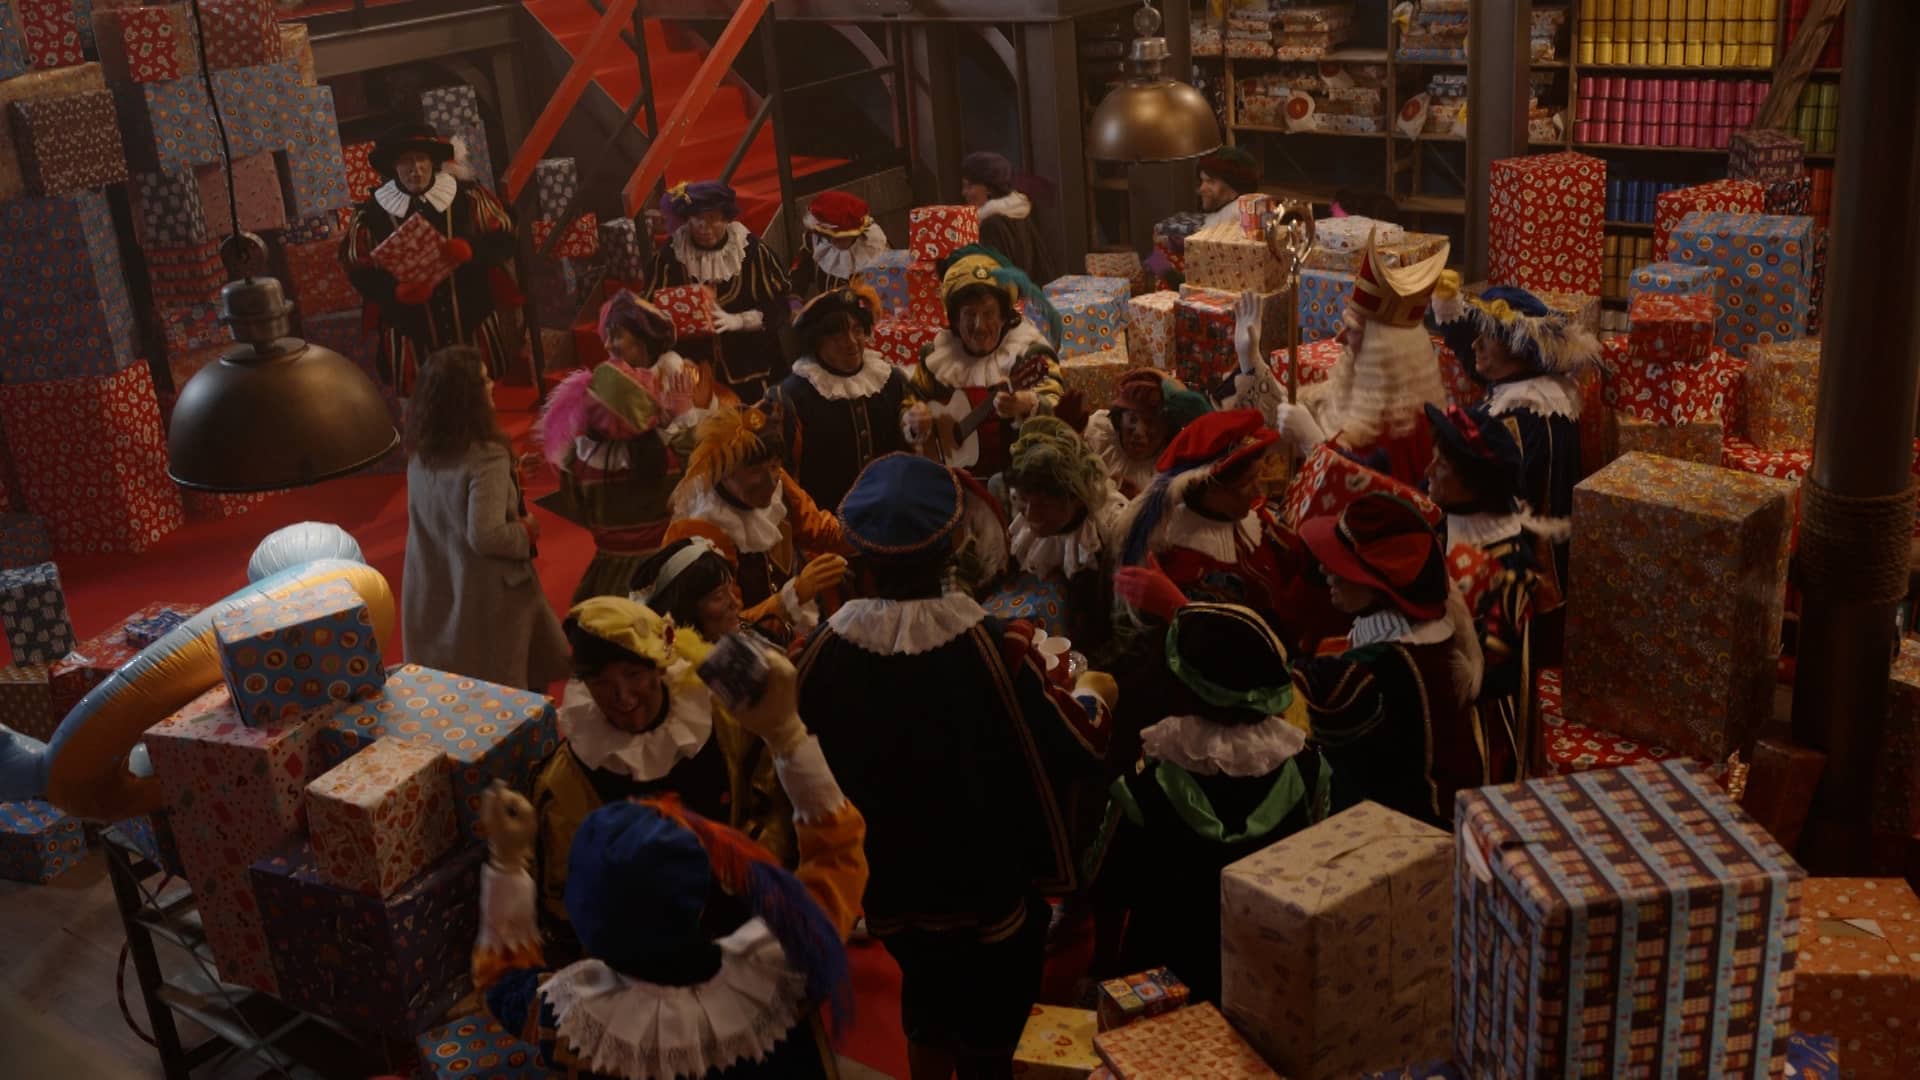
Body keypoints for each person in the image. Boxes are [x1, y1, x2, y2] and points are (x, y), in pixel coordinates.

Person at [797, 453, 1115, 1080]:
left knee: (925, 1001)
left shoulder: (819, 653)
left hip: (887, 881)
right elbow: (1076, 745)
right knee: (992, 1023)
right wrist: (1094, 693)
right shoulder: (994, 647)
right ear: (953, 544)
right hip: (985, 884)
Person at [483, 636, 869, 1080]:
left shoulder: (574, 1023)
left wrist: (506, 865)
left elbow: (504, 981)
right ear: (698, 901)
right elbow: (838, 853)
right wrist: (787, 735)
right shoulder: (786, 965)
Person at [1082, 601, 1329, 1002]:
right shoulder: (1310, 772)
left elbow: (1107, 888)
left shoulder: (1146, 785)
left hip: (1162, 980)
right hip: (1267, 974)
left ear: (1185, 687)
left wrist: (1103, 970)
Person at [530, 597, 789, 955]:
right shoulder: (569, 778)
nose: (622, 697)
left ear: (659, 667)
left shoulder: (723, 719)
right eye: (601, 683)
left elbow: (774, 802)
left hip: (745, 924)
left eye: (633, 675)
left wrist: (751, 866)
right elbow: (567, 896)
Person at [1293, 493, 1484, 828]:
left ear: (1380, 587)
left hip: (1408, 832)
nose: (1324, 570)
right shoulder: (1435, 629)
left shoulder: (1375, 671)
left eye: (1340, 566)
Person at [401, 346, 568, 690]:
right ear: (466, 397)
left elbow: (448, 506)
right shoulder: (488, 456)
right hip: (488, 600)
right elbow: (486, 535)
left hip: (439, 591)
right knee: (512, 693)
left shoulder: (421, 453)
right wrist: (526, 530)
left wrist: (512, 477)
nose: (492, 385)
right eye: (484, 379)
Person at [1115, 408, 1340, 654]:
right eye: (1246, 484)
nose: (1258, 492)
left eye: (1258, 477)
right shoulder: (1184, 562)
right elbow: (1225, 649)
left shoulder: (1258, 521)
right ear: (1207, 489)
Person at [1429, 277, 1601, 599]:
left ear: (1519, 346)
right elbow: (1478, 356)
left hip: (1512, 575)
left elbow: (1494, 499)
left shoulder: (1522, 416)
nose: (1475, 345)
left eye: (1488, 336)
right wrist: (1448, 306)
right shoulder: (1535, 386)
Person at [1425, 403, 1556, 783]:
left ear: (1473, 485)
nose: (1427, 472)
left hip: (1479, 735)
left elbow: (1496, 678)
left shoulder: (1508, 571)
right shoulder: (1448, 523)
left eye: (1440, 466)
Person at [342, 123, 518, 396]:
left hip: (471, 323)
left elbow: (506, 239)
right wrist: (394, 291)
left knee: (481, 399)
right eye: (406, 161)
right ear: (393, 166)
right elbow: (358, 269)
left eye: (421, 159)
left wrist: (471, 249)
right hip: (411, 334)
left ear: (432, 161)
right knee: (424, 406)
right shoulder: (371, 212)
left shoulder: (466, 195)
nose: (416, 169)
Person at [1270, 231, 1452, 493]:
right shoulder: (1365, 391)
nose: (1339, 338)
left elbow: (1368, 497)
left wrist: (1313, 442)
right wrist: (1252, 364)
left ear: (1383, 351)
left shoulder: (1400, 429)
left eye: (1353, 330)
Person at [664, 407, 850, 645]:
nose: (771, 480)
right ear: (724, 471)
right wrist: (791, 597)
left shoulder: (778, 484)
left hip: (794, 636)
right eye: (755, 472)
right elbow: (723, 626)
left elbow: (821, 531)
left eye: (774, 466)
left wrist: (871, 532)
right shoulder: (700, 527)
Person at [901, 245, 1066, 481]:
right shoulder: (935, 358)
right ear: (955, 319)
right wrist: (913, 417)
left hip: (1019, 482)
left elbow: (1058, 407)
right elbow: (910, 399)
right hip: (950, 482)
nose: (979, 326)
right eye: (969, 315)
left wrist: (1028, 403)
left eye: (988, 313)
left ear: (1004, 316)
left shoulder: (1030, 354)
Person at [762, 285, 911, 512]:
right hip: (825, 523)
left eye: (857, 329)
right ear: (816, 340)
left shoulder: (892, 382)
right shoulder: (789, 397)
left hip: (891, 515)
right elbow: (783, 479)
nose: (851, 341)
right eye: (837, 334)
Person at [646, 180, 794, 401]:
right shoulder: (670, 257)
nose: (704, 227)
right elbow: (650, 309)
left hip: (752, 368)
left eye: (712, 218)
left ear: (726, 218)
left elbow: (782, 305)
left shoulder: (751, 252)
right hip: (694, 375)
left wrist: (741, 321)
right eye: (696, 218)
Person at [1001, 416, 1129, 660]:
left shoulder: (1107, 531)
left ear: (1077, 498)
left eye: (1045, 505)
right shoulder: (1024, 519)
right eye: (1024, 500)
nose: (1031, 516)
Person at [600, 289, 736, 445]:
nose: (607, 345)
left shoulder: (671, 368)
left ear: (641, 339)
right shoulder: (618, 374)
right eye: (608, 336)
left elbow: (691, 439)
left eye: (616, 336)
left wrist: (675, 419)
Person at [1082, 368, 1212, 499]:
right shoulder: (1098, 435)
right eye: (1132, 419)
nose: (1138, 432)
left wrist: (1139, 502)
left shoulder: (1175, 465)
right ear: (1119, 419)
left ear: (1166, 427)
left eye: (1150, 422)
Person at [960, 151, 1060, 285]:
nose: (964, 193)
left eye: (969, 186)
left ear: (989, 188)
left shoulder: (991, 225)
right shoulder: (1018, 214)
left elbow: (994, 281)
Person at [788, 190, 889, 300]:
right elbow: (798, 276)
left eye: (840, 237)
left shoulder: (875, 247)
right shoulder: (816, 242)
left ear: (856, 233)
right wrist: (795, 302)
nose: (833, 241)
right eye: (828, 236)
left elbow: (892, 289)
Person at [1196, 146, 1261, 230]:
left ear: (1234, 187)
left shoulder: (1233, 218)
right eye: (1202, 181)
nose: (1201, 189)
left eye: (1211, 182)